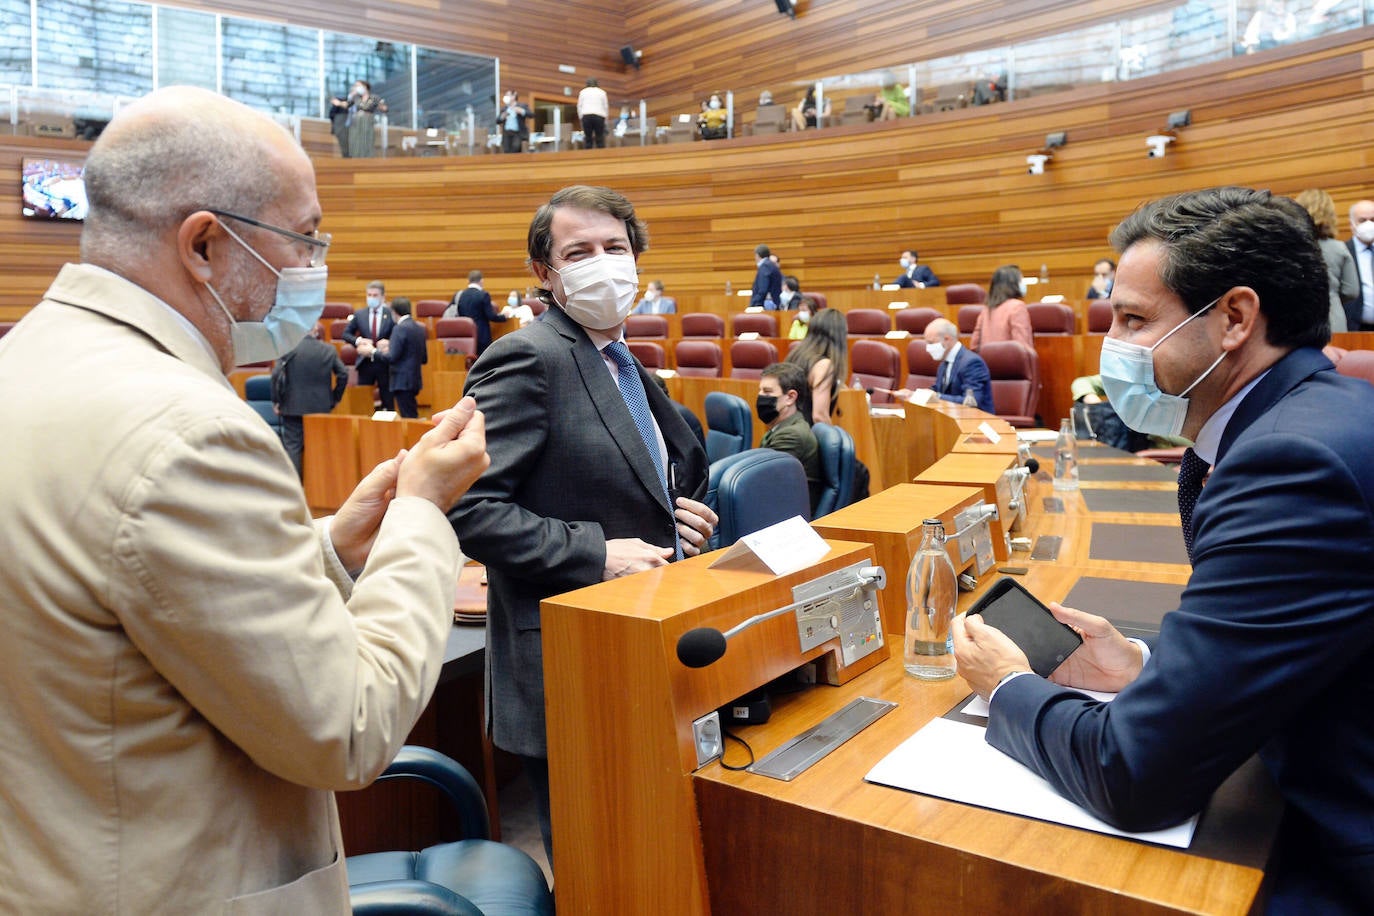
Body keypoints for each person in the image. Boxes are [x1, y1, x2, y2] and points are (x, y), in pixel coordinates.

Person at [0, 85, 491, 913]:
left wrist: (333, 548)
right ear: (203, 244)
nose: (313, 266)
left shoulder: (28, 361)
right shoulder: (191, 431)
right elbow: (348, 725)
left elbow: (137, 601)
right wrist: (420, 515)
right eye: (302, 238)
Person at [952, 186, 1374, 913]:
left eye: (1134, 320)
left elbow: (1136, 776)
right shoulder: (1314, 415)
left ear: (1235, 319)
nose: (1112, 346)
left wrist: (1009, 689)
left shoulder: (1291, 464)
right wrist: (1144, 668)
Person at [447, 185, 717, 863]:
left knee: (654, 861)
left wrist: (677, 514)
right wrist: (596, 553)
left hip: (645, 646)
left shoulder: (626, 361)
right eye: (580, 251)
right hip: (572, 663)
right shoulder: (526, 359)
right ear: (546, 272)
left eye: (615, 248)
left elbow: (643, 478)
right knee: (599, 868)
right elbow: (467, 508)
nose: (604, 262)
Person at [271, 324, 348, 476]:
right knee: (319, 447)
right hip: (321, 408)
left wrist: (277, 401)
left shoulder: (288, 348)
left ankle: (296, 489)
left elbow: (275, 375)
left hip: (292, 406)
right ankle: (318, 489)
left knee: (293, 448)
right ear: (315, 331)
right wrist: (334, 398)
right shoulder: (328, 350)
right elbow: (343, 375)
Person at [758, 362, 822, 512]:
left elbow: (765, 483)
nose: (760, 396)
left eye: (767, 392)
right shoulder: (782, 427)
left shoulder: (791, 435)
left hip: (788, 516)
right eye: (760, 390)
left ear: (790, 397)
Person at [896, 317, 993, 411]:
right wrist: (912, 394)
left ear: (947, 339)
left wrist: (937, 397)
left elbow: (972, 402)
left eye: (931, 343)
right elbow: (937, 390)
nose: (928, 348)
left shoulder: (971, 363)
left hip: (976, 422)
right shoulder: (944, 363)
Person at [1295, 189, 1357, 333]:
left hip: (1297, 320)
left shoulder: (1290, 247)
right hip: (1333, 319)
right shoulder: (1339, 248)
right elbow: (1351, 291)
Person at [362, 296, 427, 418]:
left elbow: (392, 357)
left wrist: (373, 351)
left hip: (402, 381)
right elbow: (424, 358)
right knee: (411, 414)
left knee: (408, 418)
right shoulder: (419, 328)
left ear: (394, 312)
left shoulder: (399, 328)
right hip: (414, 380)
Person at [786, 306, 848, 424]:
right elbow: (819, 416)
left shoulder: (797, 355)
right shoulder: (824, 366)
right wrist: (835, 439)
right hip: (807, 437)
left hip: (787, 432)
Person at [344, 280, 395, 410]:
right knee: (363, 401)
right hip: (365, 363)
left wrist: (390, 342)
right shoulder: (360, 314)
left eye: (375, 295)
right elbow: (346, 334)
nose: (371, 298)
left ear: (383, 297)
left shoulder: (390, 314)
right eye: (369, 295)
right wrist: (359, 341)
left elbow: (398, 335)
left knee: (388, 400)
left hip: (384, 363)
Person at [970, 264, 1034, 353]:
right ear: (1013, 284)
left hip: (988, 364)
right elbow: (1022, 346)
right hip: (1012, 364)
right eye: (1021, 280)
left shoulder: (986, 310)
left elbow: (974, 345)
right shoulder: (1018, 306)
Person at [447, 269, 511, 354]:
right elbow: (491, 316)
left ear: (468, 281)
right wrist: (504, 317)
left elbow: (450, 310)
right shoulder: (483, 295)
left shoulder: (459, 295)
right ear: (481, 281)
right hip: (481, 336)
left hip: (464, 335)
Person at [1345, 198, 1374, 330]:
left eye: (1373, 220)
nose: (1369, 224)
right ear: (1352, 224)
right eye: (1362, 220)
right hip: (1354, 329)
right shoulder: (1343, 251)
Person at [339, 80, 387, 159]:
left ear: (365, 86)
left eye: (358, 85)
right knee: (355, 142)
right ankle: (355, 159)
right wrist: (350, 95)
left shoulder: (374, 97)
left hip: (367, 122)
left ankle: (367, 160)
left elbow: (384, 108)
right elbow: (347, 105)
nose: (356, 88)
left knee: (367, 141)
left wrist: (381, 106)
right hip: (356, 122)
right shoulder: (356, 98)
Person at [577, 77, 608, 149]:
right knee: (600, 137)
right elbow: (605, 106)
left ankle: (588, 156)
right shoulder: (602, 92)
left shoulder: (582, 92)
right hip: (599, 115)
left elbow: (579, 106)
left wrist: (580, 117)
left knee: (588, 138)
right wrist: (606, 118)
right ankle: (601, 155)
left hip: (586, 115)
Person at [497, 90, 531, 154]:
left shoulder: (522, 106)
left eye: (508, 95)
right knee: (506, 150)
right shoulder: (504, 109)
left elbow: (530, 114)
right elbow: (498, 120)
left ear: (514, 96)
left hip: (517, 133)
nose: (506, 97)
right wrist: (503, 116)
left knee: (515, 147)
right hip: (506, 134)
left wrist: (522, 111)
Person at [751, 243, 783, 309]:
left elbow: (763, 289)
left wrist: (754, 303)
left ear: (757, 255)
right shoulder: (770, 264)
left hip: (767, 304)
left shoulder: (765, 266)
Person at [327, 91, 351, 157]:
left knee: (346, 148)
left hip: (342, 129)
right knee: (344, 147)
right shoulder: (335, 108)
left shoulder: (342, 106)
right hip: (339, 128)